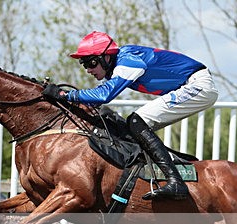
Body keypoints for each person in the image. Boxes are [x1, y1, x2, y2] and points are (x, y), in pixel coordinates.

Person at [42, 31, 219, 201]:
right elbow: (96, 101)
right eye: (84, 64)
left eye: (91, 62)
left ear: (106, 57)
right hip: (190, 85)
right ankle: (171, 168)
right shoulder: (119, 64)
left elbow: (104, 95)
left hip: (198, 85)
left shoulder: (128, 59)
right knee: (132, 128)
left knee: (136, 121)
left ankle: (176, 181)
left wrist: (66, 95)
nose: (88, 69)